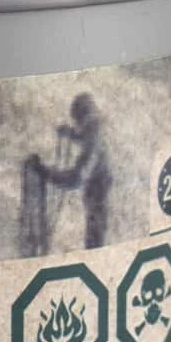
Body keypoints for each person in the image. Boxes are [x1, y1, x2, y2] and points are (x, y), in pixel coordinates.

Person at [29, 93, 113, 249]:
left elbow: (75, 180)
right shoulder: (96, 131)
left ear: (83, 119)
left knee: (95, 246)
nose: (78, 126)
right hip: (99, 202)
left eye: (78, 122)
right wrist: (71, 135)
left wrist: (45, 173)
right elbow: (85, 138)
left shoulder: (93, 142)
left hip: (99, 207)